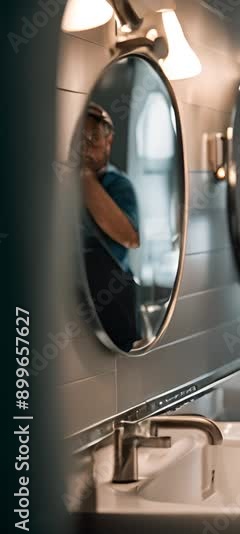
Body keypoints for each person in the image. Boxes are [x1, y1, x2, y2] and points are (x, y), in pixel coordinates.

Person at [79, 103, 142, 351]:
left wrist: (85, 178)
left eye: (92, 139)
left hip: (113, 294)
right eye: (79, 140)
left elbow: (130, 237)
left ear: (109, 140)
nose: (85, 147)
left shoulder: (118, 183)